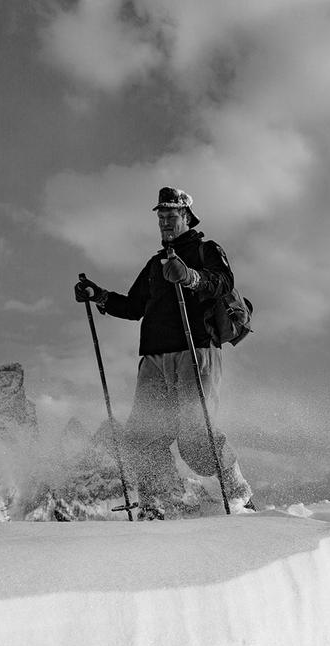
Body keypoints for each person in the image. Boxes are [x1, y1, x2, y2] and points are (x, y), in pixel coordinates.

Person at [74, 186, 253, 519]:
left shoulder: (205, 249)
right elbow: (133, 306)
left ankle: (237, 492)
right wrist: (98, 295)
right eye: (161, 216)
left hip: (195, 349)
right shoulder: (156, 263)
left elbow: (223, 282)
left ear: (186, 216)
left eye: (171, 215)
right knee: (144, 435)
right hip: (154, 358)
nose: (165, 222)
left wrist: (190, 276)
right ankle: (162, 503)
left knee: (195, 435)